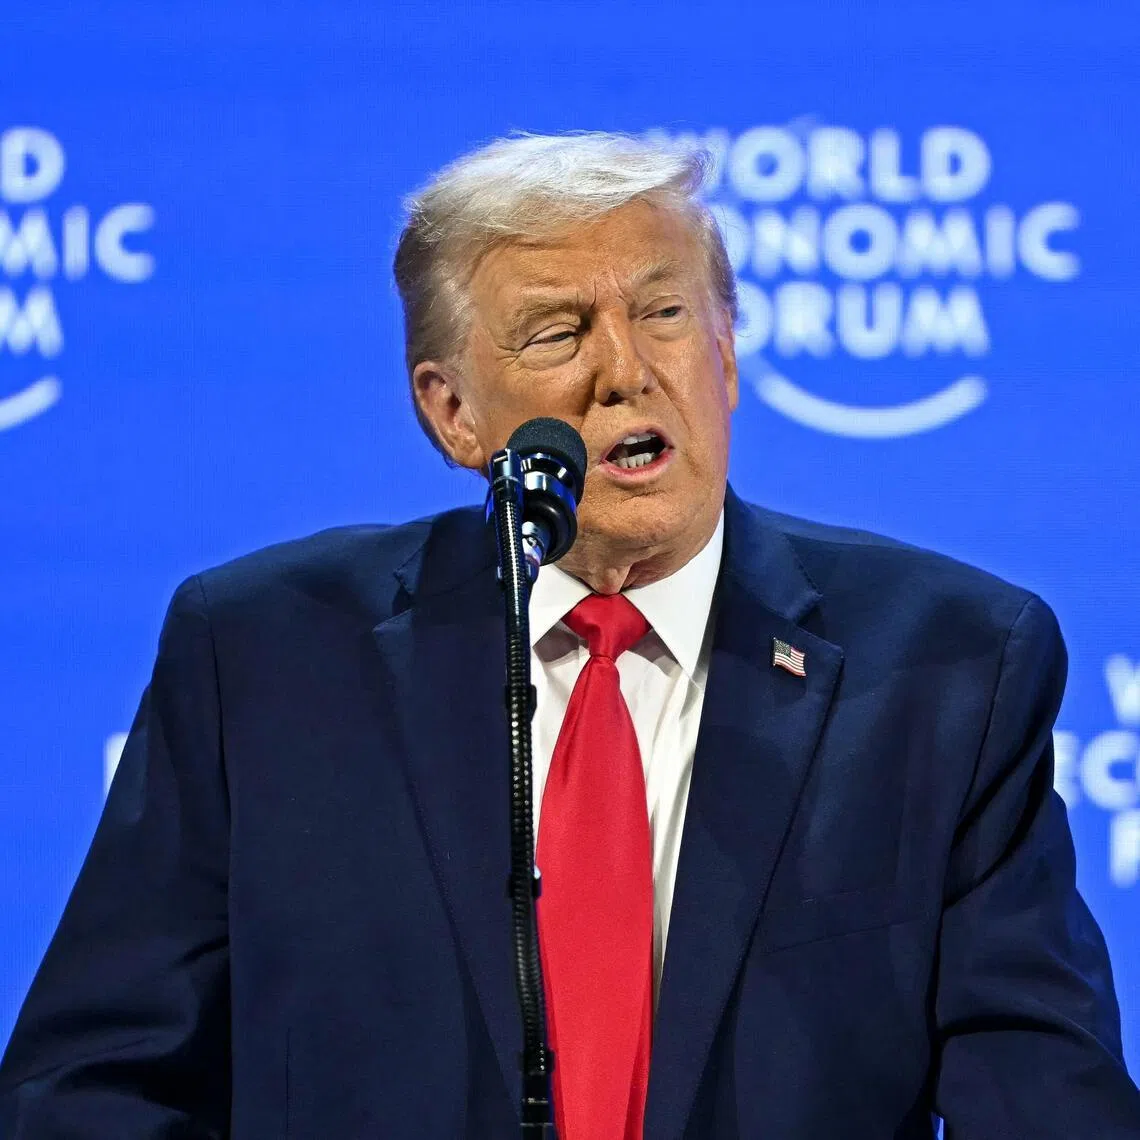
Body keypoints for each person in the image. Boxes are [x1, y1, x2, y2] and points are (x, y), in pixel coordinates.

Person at [2, 131, 1138, 1140]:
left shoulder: (948, 666)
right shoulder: (263, 656)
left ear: (728, 356)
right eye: (558, 332)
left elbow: (1042, 1094)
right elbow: (89, 1085)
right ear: (451, 412)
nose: (624, 373)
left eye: (663, 312)